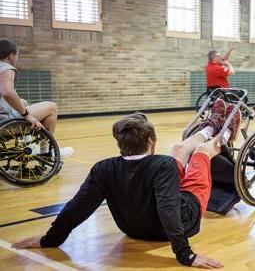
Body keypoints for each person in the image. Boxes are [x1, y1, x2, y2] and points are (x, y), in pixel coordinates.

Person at [12, 102, 242, 268]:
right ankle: (227, 132)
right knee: (201, 153)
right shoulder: (163, 166)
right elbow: (168, 209)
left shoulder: (103, 168)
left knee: (178, 150)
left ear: (120, 142)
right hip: (183, 220)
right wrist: (186, 255)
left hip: (132, 228)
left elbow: (78, 206)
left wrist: (50, 239)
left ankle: (210, 127)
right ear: (151, 141)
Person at [0, 39, 72, 156]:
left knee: (22, 102)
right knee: (51, 107)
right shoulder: (6, 68)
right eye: (17, 55)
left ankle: (28, 143)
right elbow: (7, 92)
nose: (17, 58)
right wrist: (27, 116)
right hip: (4, 123)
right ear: (11, 55)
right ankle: (47, 151)